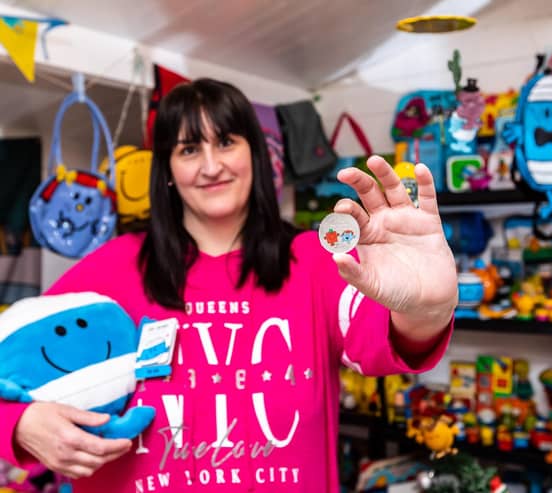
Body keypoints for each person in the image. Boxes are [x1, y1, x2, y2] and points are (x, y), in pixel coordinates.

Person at [0, 78, 457, 492]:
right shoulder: (111, 269)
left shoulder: (316, 261)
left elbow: (387, 342)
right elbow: (12, 365)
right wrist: (19, 425)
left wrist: (429, 308)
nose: (211, 165)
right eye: (188, 149)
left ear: (255, 154)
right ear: (166, 170)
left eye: (226, 142)